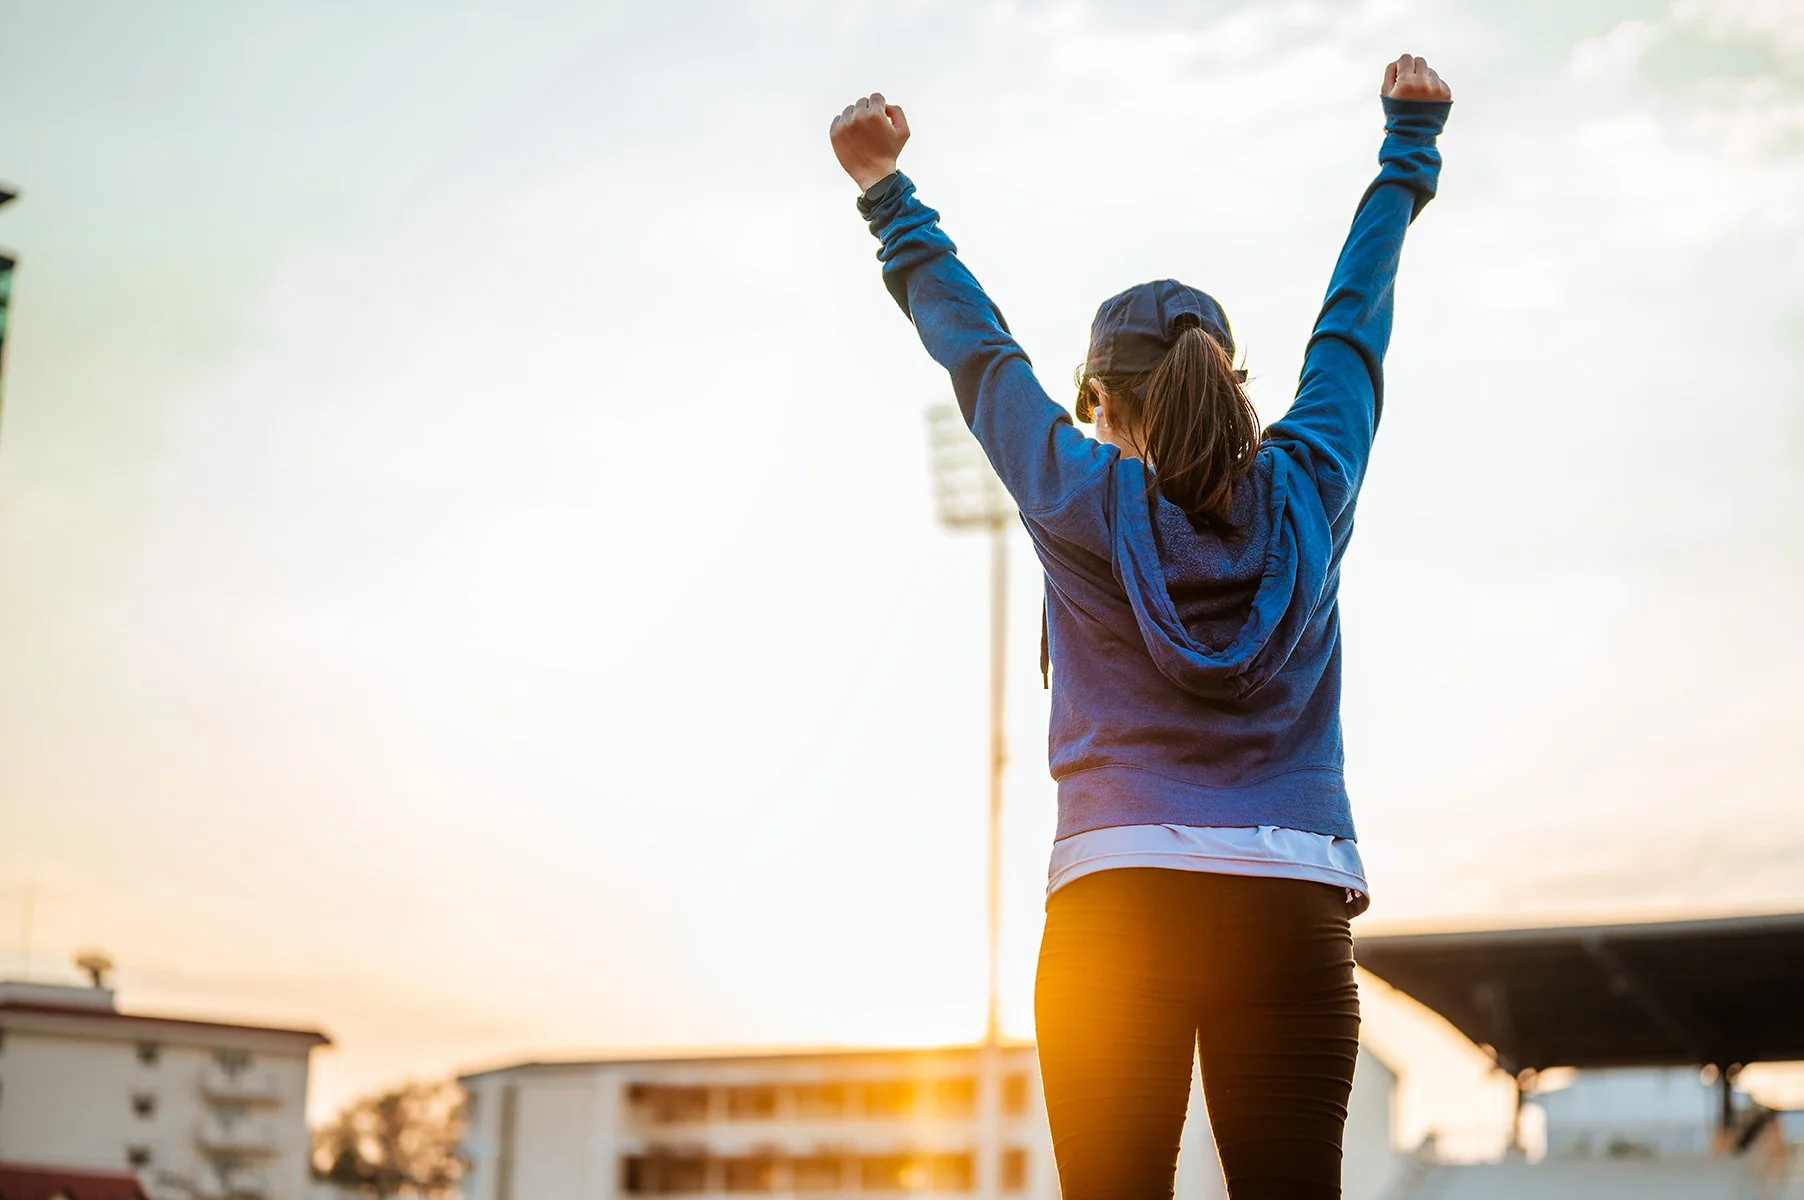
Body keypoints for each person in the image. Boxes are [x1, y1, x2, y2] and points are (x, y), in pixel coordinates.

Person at [831, 52, 1452, 1200]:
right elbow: (1352, 329)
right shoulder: (1312, 483)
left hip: (1117, 902)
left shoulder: (1076, 494)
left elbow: (978, 354)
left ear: (1102, 404)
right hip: (1291, 899)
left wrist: (886, 193)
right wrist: (1405, 146)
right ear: (1234, 383)